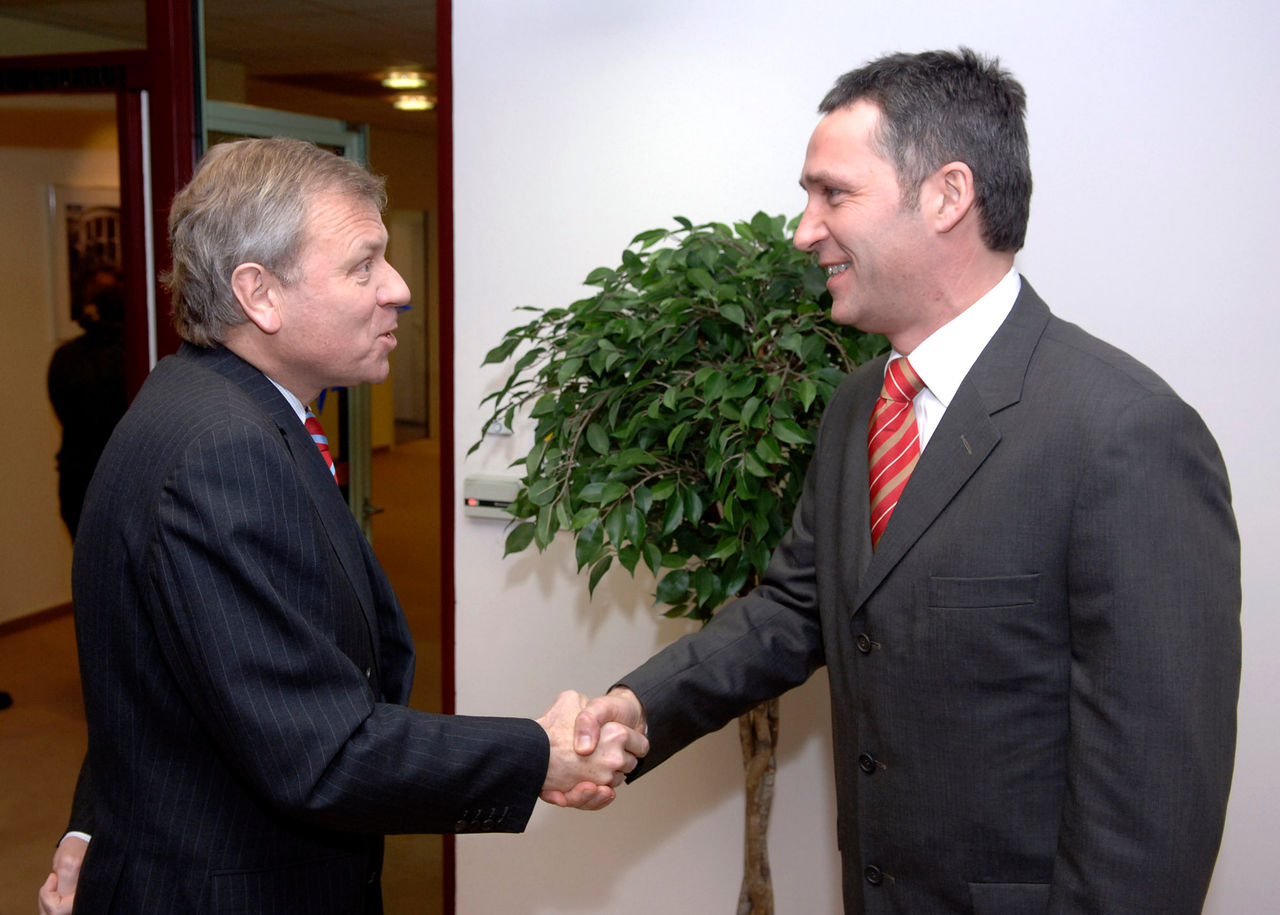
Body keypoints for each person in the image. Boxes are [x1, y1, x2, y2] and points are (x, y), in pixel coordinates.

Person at [568, 48, 1241, 913]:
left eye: (833, 194)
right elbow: (795, 608)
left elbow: (1155, 806)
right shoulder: (860, 405)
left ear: (948, 195)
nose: (804, 229)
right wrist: (635, 708)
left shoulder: (1126, 433)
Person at [37, 137, 647, 914]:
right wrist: (541, 754)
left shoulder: (200, 403)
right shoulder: (225, 451)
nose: (398, 288)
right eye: (363, 265)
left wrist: (95, 827)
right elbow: (320, 753)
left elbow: (158, 684)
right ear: (259, 294)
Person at [47, 277, 127, 539]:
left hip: (75, 481)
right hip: (120, 483)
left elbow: (61, 409)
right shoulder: (131, 359)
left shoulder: (64, 359)